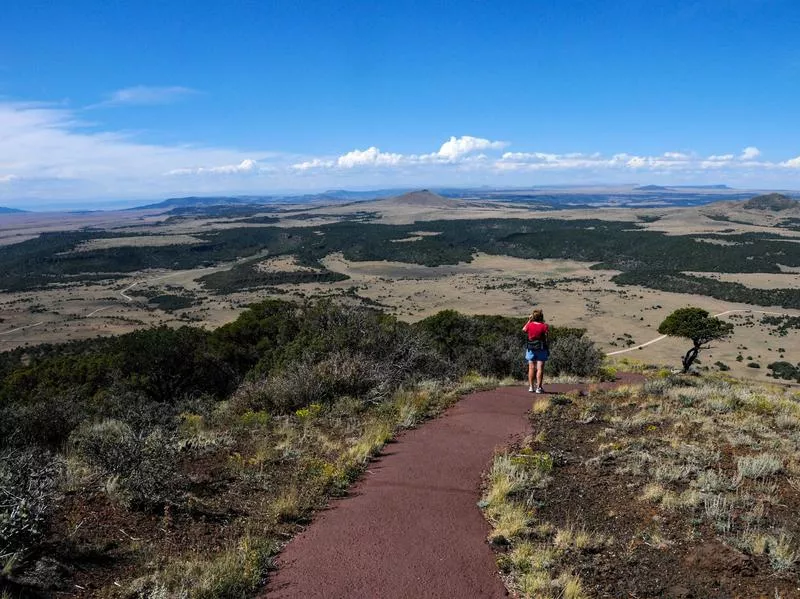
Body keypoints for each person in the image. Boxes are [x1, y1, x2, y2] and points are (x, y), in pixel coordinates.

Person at [522, 308, 549, 393]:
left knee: (531, 368)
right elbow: (547, 335)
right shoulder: (544, 326)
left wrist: (529, 320)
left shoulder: (530, 325)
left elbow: (524, 330)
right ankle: (539, 388)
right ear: (541, 317)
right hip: (541, 348)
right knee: (540, 368)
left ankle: (531, 387)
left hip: (531, 348)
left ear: (533, 317)